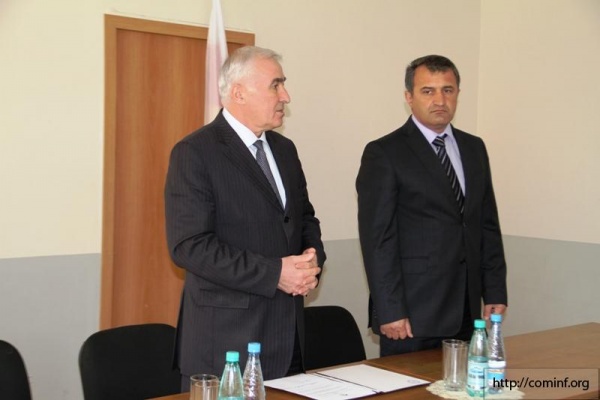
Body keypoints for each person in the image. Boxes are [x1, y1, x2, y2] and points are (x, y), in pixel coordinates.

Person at [164, 46, 326, 389]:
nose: (286, 96)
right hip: (226, 346)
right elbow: (189, 246)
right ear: (238, 93)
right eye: (275, 85)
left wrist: (311, 261)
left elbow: (304, 219)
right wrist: (276, 273)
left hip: (289, 341)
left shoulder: (285, 150)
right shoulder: (195, 152)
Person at [356, 55, 507, 356]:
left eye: (447, 90)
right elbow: (378, 240)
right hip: (412, 315)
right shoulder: (384, 152)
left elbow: (486, 224)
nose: (440, 100)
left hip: (467, 310)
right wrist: (390, 309)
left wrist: (494, 290)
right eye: (428, 91)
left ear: (458, 94)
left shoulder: (474, 148)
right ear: (409, 97)